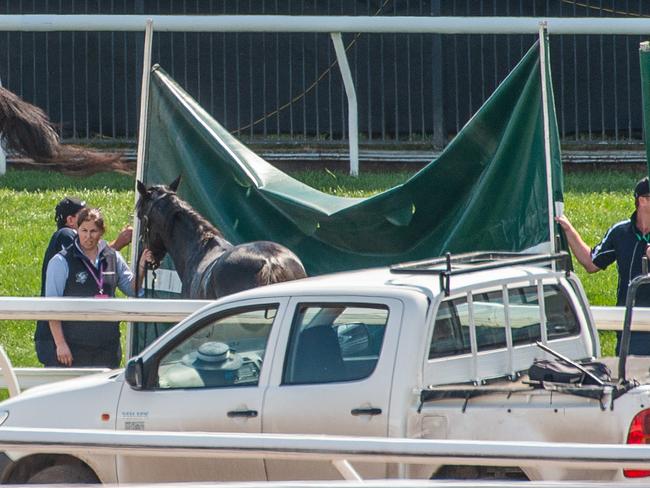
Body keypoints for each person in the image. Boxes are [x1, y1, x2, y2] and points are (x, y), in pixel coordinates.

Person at [44, 207, 150, 368]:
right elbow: (51, 307)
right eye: (83, 230)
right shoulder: (61, 262)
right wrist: (60, 344)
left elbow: (132, 289)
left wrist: (142, 266)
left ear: (101, 231)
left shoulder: (113, 256)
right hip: (74, 347)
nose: (88, 236)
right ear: (77, 230)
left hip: (108, 346)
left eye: (93, 231)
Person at [555, 176, 650, 355]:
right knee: (630, 374)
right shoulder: (620, 232)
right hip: (629, 318)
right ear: (642, 200)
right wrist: (568, 229)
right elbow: (591, 263)